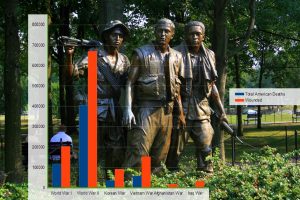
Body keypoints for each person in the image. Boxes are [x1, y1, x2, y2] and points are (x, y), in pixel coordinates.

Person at [66, 20, 130, 178]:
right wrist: (69, 56)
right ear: (106, 36)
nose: (117, 38)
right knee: (90, 153)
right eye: (114, 34)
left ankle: (113, 186)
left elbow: (130, 84)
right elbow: (71, 75)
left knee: (116, 153)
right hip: (94, 109)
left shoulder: (125, 60)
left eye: (120, 35)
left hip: (115, 111)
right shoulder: (92, 56)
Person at [122, 18, 185, 172]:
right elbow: (130, 82)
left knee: (159, 157)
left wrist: (181, 113)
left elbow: (177, 89)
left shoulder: (177, 57)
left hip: (167, 112)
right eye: (160, 30)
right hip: (146, 109)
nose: (163, 34)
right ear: (155, 32)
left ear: (172, 34)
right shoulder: (141, 53)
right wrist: (128, 109)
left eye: (167, 31)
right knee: (138, 152)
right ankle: (132, 190)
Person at [166, 21, 228, 173]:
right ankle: (170, 184)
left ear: (203, 36)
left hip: (202, 110)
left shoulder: (210, 55)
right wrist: (180, 113)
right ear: (186, 35)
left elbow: (212, 85)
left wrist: (221, 110)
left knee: (206, 149)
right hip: (181, 109)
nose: (194, 37)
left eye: (197, 34)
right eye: (191, 34)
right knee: (174, 152)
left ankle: (206, 181)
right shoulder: (175, 53)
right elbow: (174, 87)